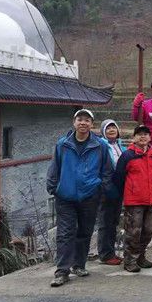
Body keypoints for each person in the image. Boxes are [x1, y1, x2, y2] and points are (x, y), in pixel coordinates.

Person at [47, 109, 113, 287]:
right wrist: (53, 187)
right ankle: (62, 271)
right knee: (65, 233)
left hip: (90, 195)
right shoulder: (63, 144)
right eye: (80, 119)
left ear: (92, 124)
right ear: (74, 122)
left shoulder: (100, 145)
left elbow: (107, 170)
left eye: (87, 120)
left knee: (85, 231)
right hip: (65, 195)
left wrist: (100, 189)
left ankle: (78, 265)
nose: (83, 123)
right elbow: (55, 166)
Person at [113, 125, 152, 273]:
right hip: (134, 201)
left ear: (150, 137)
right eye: (139, 134)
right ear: (134, 138)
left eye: (146, 134)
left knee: (147, 232)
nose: (143, 137)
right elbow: (118, 177)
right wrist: (128, 193)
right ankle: (130, 260)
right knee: (133, 233)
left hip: (150, 200)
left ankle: (141, 257)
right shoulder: (127, 155)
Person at [97, 118, 125, 266]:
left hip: (118, 188)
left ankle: (111, 252)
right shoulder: (101, 146)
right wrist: (106, 186)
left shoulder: (120, 145)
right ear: (103, 132)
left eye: (114, 127)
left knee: (114, 221)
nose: (112, 130)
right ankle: (105, 254)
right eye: (108, 128)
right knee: (105, 222)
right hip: (106, 188)